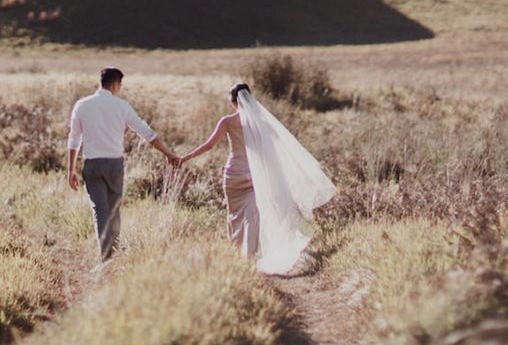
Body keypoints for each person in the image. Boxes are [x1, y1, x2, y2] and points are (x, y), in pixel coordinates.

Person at [179, 82, 336, 274]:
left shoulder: (227, 122)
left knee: (234, 216)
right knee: (253, 216)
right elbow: (276, 147)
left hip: (233, 175)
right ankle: (249, 256)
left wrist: (185, 158)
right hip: (253, 175)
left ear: (233, 102)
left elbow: (209, 145)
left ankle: (238, 256)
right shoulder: (261, 122)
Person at [67, 67, 178, 260]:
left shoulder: (82, 105)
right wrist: (168, 153)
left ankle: (106, 255)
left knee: (99, 210)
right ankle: (112, 253)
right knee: (113, 209)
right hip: (114, 165)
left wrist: (70, 170)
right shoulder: (121, 106)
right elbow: (147, 134)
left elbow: (74, 139)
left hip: (92, 165)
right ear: (115, 84)